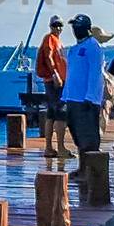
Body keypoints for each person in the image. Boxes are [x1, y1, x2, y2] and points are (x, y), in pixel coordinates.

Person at [62, 13, 104, 163]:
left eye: (78, 26)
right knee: (77, 135)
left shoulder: (93, 46)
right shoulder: (73, 49)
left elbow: (95, 73)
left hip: (86, 100)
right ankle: (82, 167)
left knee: (89, 136)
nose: (75, 29)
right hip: (72, 98)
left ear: (87, 28)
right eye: (74, 27)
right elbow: (71, 74)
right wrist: (64, 96)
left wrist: (91, 97)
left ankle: (90, 168)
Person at [36, 14, 72, 159]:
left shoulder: (57, 40)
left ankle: (49, 148)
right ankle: (61, 147)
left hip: (55, 81)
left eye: (60, 25)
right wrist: (55, 73)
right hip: (54, 81)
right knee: (61, 113)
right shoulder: (50, 39)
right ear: (50, 26)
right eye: (55, 25)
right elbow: (48, 56)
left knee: (51, 113)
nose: (58, 28)